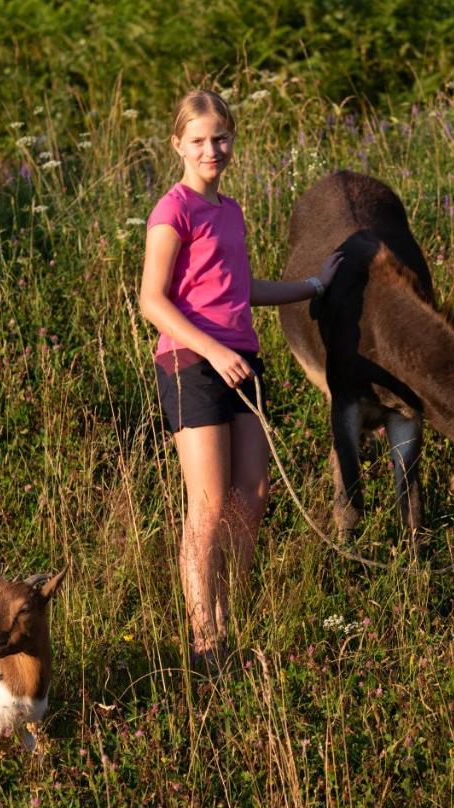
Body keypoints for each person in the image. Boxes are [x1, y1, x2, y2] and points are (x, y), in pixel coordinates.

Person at [138, 89, 341, 671]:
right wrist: (210, 349)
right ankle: (206, 642)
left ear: (233, 139)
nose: (211, 150)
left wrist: (311, 287)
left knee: (251, 496)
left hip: (242, 360)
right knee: (206, 505)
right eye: (198, 140)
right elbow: (152, 300)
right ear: (178, 144)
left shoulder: (229, 211)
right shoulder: (171, 210)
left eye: (220, 138)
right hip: (193, 363)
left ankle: (235, 616)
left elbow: (240, 289)